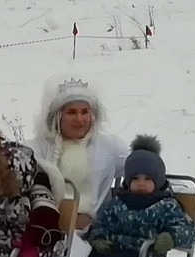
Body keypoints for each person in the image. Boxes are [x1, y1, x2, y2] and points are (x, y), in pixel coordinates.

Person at [58, 139, 194, 257]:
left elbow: (187, 229)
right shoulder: (118, 203)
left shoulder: (166, 206)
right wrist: (98, 239)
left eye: (148, 179)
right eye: (135, 179)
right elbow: (102, 225)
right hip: (114, 252)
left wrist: (171, 236)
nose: (141, 183)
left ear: (159, 180)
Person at [31, 75, 128, 229]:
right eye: (71, 112)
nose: (80, 119)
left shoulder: (109, 147)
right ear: (57, 116)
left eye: (85, 112)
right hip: (46, 232)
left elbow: (145, 170)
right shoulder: (38, 148)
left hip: (96, 235)